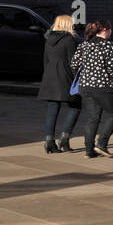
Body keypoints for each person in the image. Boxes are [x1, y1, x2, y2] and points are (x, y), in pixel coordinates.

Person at [72, 20, 113, 157]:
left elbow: (74, 64)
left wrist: (86, 76)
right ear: (105, 30)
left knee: (92, 117)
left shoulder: (84, 45)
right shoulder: (108, 46)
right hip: (103, 87)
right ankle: (102, 144)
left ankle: (89, 150)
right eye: (110, 29)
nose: (111, 32)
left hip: (85, 86)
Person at [38, 14, 81, 153]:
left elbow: (45, 60)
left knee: (52, 109)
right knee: (76, 106)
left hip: (50, 77)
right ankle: (65, 138)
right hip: (65, 78)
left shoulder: (48, 39)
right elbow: (73, 63)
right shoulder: (70, 40)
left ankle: (49, 141)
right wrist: (79, 81)